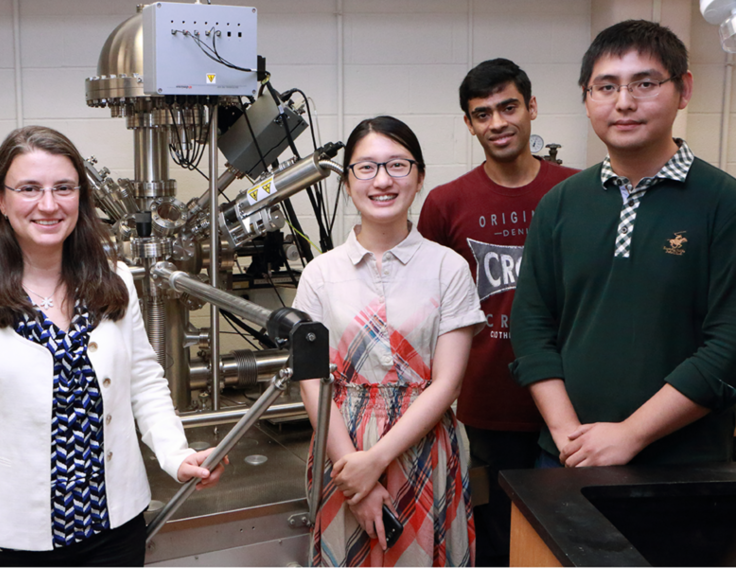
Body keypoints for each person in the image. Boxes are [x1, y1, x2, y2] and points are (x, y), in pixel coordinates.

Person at [0, 126, 225, 567]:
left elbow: (144, 381)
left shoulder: (114, 281)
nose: (48, 204)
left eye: (63, 188)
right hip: (16, 542)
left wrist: (175, 454)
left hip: (115, 529)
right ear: (1, 199)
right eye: (29, 188)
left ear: (80, 198)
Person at [511, 19, 736, 469]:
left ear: (684, 89)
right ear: (586, 97)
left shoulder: (723, 202)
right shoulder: (560, 203)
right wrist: (569, 438)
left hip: (685, 466)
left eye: (645, 83)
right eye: (606, 87)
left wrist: (631, 435)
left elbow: (727, 343)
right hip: (566, 456)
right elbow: (532, 326)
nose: (624, 103)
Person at [294, 116, 486, 566]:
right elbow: (311, 380)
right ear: (347, 183)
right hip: (342, 446)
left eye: (398, 165)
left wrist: (374, 460)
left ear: (419, 177)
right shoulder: (319, 274)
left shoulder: (449, 268)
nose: (382, 180)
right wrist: (354, 474)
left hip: (423, 447)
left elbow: (446, 384)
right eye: (366, 168)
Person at [417, 59, 577, 566]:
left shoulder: (580, 190)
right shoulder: (446, 203)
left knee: (569, 533)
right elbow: (427, 308)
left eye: (508, 107)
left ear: (531, 108)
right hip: (488, 402)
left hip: (574, 398)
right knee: (496, 535)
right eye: (482, 114)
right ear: (469, 124)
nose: (497, 123)